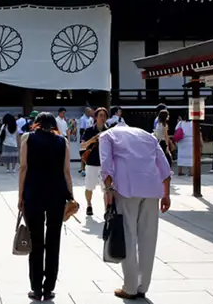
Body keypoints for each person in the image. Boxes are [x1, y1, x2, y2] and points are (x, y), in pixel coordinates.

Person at [99, 124, 172, 300]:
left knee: (128, 237)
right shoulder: (148, 136)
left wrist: (108, 189)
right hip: (151, 189)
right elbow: (165, 168)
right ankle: (142, 286)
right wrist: (166, 195)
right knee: (148, 238)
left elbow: (106, 165)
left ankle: (130, 287)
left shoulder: (107, 136)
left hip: (126, 189)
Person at [18, 113, 71, 301]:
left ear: (36, 124)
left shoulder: (27, 138)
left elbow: (23, 167)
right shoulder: (62, 141)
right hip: (56, 193)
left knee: (36, 241)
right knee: (54, 240)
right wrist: (70, 196)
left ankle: (36, 288)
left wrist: (20, 195)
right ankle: (49, 288)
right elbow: (66, 171)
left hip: (33, 192)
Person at [81, 107, 107, 217]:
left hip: (105, 164)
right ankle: (89, 204)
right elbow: (82, 145)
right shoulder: (89, 131)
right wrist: (93, 139)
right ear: (95, 117)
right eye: (100, 115)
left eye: (104, 116)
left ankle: (107, 210)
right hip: (91, 162)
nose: (103, 118)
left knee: (106, 188)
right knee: (89, 186)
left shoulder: (109, 131)